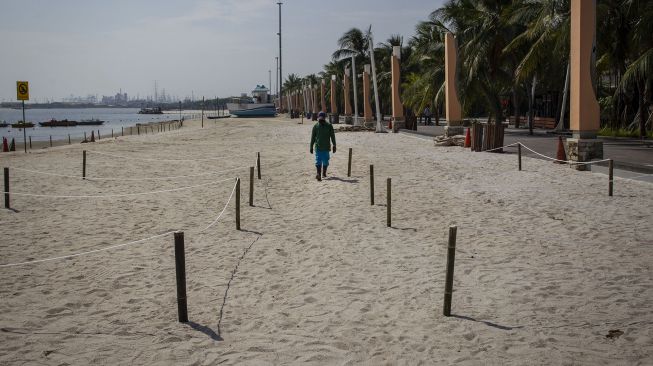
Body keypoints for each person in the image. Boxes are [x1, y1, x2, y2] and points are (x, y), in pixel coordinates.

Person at [310, 111, 336, 181]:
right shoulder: (315, 126)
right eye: (320, 119)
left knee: (325, 161)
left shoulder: (329, 126)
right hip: (318, 147)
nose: (321, 121)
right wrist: (311, 147)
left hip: (326, 148)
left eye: (322, 119)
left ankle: (324, 173)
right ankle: (318, 174)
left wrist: (334, 145)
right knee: (318, 160)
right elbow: (312, 137)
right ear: (318, 118)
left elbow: (332, 136)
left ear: (325, 118)